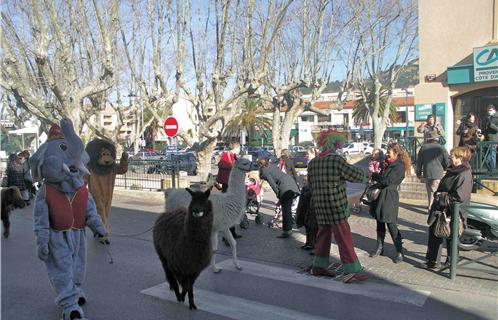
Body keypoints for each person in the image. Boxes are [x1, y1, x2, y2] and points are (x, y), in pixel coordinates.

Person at [307, 147, 369, 282]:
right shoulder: (336, 160)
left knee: (322, 237)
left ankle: (318, 266)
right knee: (343, 237)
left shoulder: (312, 164)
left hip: (320, 206)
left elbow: (310, 185)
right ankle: (351, 270)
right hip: (336, 206)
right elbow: (355, 175)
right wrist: (367, 175)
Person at [422, 147, 473, 269]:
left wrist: (442, 196)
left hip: (452, 211)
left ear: (460, 158)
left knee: (451, 236)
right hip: (441, 208)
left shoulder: (464, 174)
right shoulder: (452, 170)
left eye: (452, 155)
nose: (450, 157)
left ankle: (451, 262)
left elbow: (459, 196)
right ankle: (433, 261)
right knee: (435, 234)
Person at [369, 142, 411, 263]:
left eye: (389, 152)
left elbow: (387, 181)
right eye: (387, 152)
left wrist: (376, 176)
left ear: (396, 153)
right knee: (379, 221)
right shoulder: (386, 164)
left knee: (391, 224)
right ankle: (380, 248)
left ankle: (399, 251)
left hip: (390, 197)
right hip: (380, 196)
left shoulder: (399, 166)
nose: (387, 154)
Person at [258, 158, 300, 238]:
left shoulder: (265, 171)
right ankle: (289, 229)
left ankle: (287, 231)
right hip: (290, 183)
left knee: (286, 210)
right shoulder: (272, 166)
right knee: (288, 209)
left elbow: (273, 185)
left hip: (285, 187)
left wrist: (279, 195)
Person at [416, 131, 449, 212]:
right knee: (434, 191)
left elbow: (419, 161)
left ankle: (430, 205)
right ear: (436, 138)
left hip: (427, 172)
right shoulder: (441, 148)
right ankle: (431, 207)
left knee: (429, 190)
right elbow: (447, 161)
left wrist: (418, 173)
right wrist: (445, 168)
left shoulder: (423, 147)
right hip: (438, 172)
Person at [216, 142, 242, 239]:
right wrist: (232, 166)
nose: (239, 149)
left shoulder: (233, 156)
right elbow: (221, 164)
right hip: (227, 186)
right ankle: (227, 235)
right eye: (239, 147)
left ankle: (232, 232)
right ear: (236, 147)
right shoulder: (226, 155)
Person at [295, 147, 318, 251]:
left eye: (308, 154)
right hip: (307, 192)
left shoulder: (316, 163)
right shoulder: (311, 163)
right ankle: (309, 242)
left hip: (312, 194)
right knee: (306, 219)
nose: (306, 156)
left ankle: (314, 244)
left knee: (312, 221)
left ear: (314, 153)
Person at [483, 104, 498, 172]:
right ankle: (489, 168)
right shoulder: (488, 117)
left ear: (494, 110)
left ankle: (492, 169)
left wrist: (491, 125)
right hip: (488, 138)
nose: (489, 112)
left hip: (494, 139)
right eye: (488, 110)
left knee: (492, 154)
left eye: (490, 110)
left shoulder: (496, 117)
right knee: (490, 154)